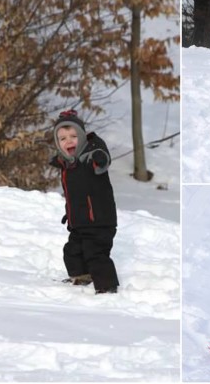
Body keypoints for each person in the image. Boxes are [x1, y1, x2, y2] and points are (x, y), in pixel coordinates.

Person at [50, 109, 120, 294]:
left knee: (95, 253)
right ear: (58, 144)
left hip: (99, 220)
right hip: (79, 222)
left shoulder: (92, 152)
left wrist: (99, 159)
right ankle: (82, 277)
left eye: (73, 136)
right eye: (63, 139)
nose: (69, 141)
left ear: (82, 136)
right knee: (72, 251)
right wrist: (70, 213)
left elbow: (103, 159)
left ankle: (107, 287)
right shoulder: (67, 165)